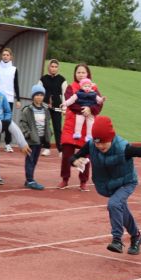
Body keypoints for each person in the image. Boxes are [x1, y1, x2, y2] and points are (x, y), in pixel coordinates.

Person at [71, 115, 141, 255]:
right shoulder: (91, 145)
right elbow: (74, 156)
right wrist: (75, 161)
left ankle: (117, 240)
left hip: (127, 182)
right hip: (108, 185)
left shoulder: (123, 148)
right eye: (97, 143)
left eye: (104, 142)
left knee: (114, 204)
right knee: (120, 209)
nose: (100, 146)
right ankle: (137, 236)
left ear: (111, 138)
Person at [59, 63, 102, 191]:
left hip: (87, 127)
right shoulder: (71, 87)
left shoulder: (94, 88)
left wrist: (90, 109)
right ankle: (65, 179)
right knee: (67, 153)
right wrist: (84, 110)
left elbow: (99, 104)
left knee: (86, 155)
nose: (81, 74)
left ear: (88, 74)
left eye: (83, 72)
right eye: (78, 72)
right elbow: (70, 103)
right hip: (71, 124)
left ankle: (83, 181)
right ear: (75, 74)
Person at [19, 84, 50, 190]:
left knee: (35, 160)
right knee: (30, 159)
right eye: (37, 95)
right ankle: (30, 180)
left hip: (40, 139)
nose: (39, 97)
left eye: (41, 95)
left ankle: (29, 179)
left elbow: (47, 123)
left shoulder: (45, 109)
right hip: (31, 140)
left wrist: (48, 133)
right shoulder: (27, 110)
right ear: (33, 96)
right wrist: (28, 134)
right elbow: (23, 123)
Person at [0, 47, 20, 152]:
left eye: (7, 55)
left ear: (11, 57)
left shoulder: (14, 69)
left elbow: (16, 84)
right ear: (1, 56)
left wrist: (18, 99)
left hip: (9, 98)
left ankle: (8, 143)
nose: (5, 56)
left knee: (7, 120)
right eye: (4, 55)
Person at [61, 77, 104, 142]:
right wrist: (65, 104)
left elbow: (99, 100)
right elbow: (71, 100)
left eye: (89, 86)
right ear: (81, 87)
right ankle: (77, 133)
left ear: (91, 87)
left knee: (90, 124)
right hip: (81, 111)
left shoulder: (94, 94)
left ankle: (89, 136)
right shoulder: (78, 93)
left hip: (90, 112)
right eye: (85, 86)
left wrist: (102, 99)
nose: (87, 87)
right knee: (79, 122)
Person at [39, 58, 66, 156]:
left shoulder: (62, 80)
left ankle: (60, 149)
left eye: (56, 67)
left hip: (57, 107)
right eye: (52, 66)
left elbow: (64, 94)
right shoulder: (43, 79)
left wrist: (64, 108)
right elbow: (39, 92)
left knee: (57, 127)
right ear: (49, 67)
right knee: (46, 127)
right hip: (45, 106)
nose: (54, 68)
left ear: (58, 68)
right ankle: (46, 147)